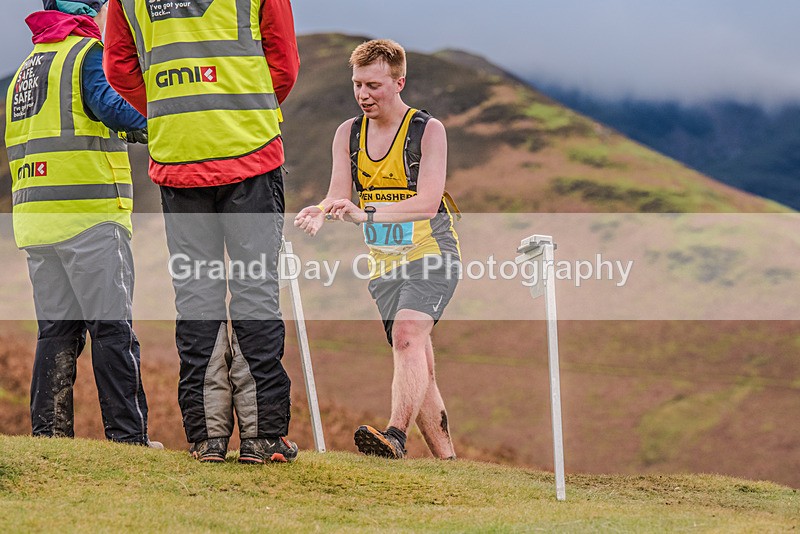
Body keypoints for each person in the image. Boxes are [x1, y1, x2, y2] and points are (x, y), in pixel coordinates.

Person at [104, 0, 300, 463]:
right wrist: (240, 106)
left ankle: (207, 438)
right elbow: (284, 63)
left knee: (196, 295)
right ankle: (262, 437)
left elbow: (120, 68)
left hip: (178, 161)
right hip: (250, 154)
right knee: (256, 291)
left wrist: (173, 114)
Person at [295, 39, 460, 459]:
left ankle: (395, 437)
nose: (363, 95)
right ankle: (448, 461)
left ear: (399, 81)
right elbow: (337, 195)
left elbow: (427, 200)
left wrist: (365, 214)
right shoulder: (347, 134)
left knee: (406, 335)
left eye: (373, 85)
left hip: (432, 252)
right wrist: (319, 210)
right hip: (383, 263)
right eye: (357, 85)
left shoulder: (428, 130)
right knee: (416, 360)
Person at [5, 0, 159, 447]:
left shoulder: (26, 68)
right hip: (88, 214)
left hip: (35, 219)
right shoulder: (86, 53)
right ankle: (127, 439)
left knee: (56, 331)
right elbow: (114, 107)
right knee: (111, 328)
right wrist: (163, 123)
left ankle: (49, 437)